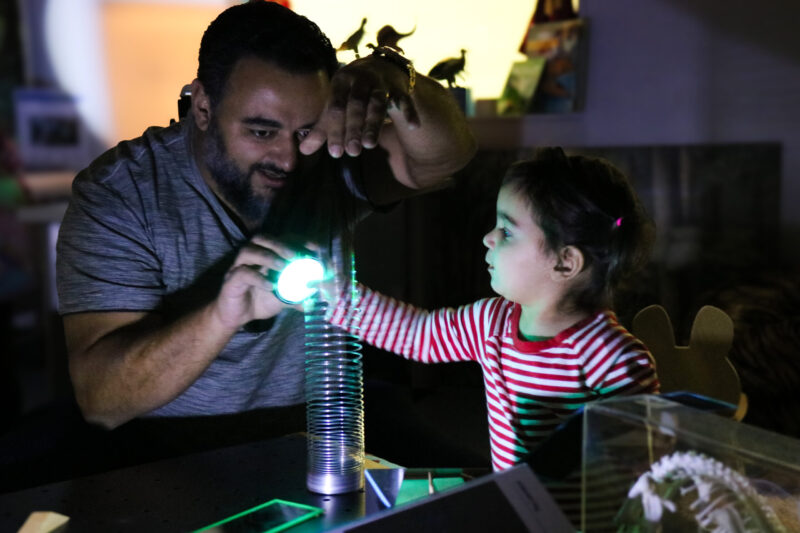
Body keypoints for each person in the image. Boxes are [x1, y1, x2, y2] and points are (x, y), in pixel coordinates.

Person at [55, 0, 475, 444]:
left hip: (322, 428)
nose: (289, 158)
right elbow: (101, 401)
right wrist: (221, 316)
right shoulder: (120, 195)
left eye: (304, 132)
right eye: (261, 131)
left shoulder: (325, 159)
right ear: (202, 107)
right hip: (171, 447)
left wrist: (396, 78)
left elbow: (449, 155)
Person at [322, 147, 660, 472]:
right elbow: (418, 335)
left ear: (565, 261)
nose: (488, 238)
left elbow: (642, 465)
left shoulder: (613, 357)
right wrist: (336, 296)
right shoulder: (490, 323)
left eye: (507, 231)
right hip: (517, 507)